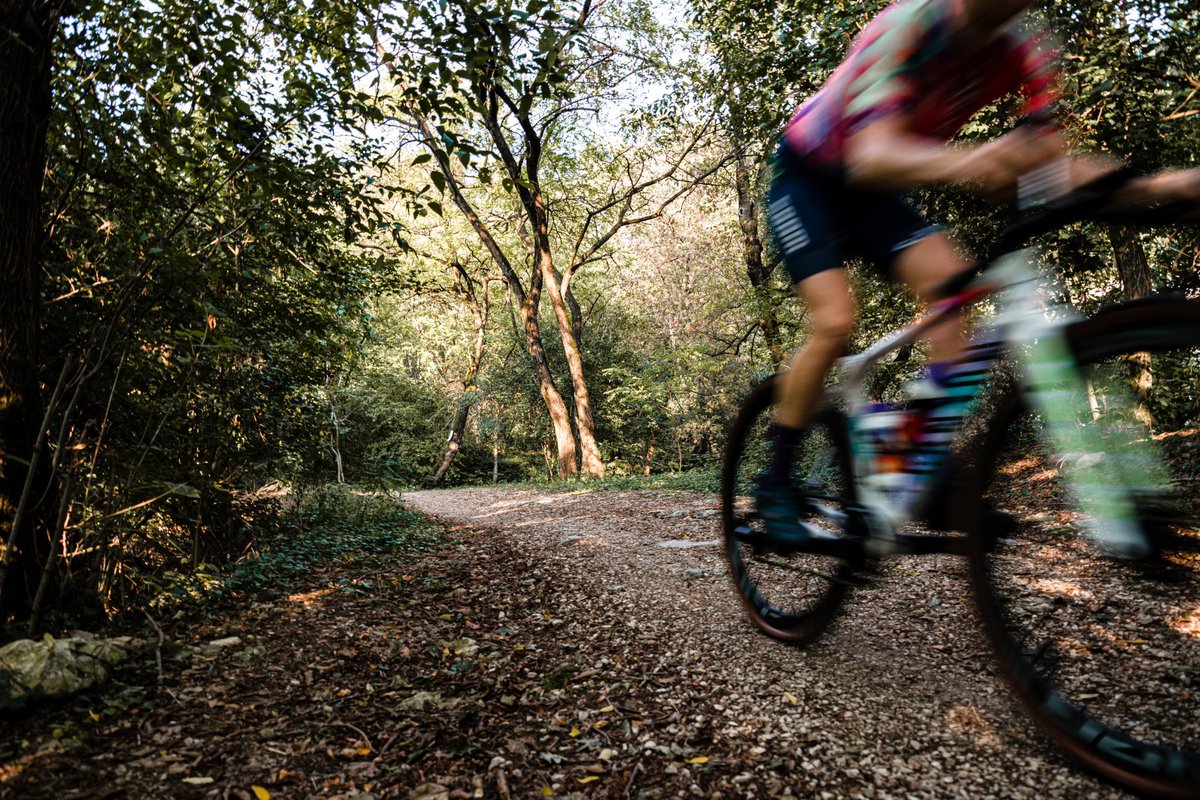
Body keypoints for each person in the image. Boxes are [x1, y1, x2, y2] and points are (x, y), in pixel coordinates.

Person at [758, 0, 1200, 543]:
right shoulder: (909, 24)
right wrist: (978, 160)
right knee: (834, 320)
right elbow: (872, 154)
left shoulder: (1024, 49)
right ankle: (774, 482)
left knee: (956, 297)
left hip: (875, 193)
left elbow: (1052, 165)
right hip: (808, 174)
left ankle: (920, 470)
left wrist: (1156, 189)